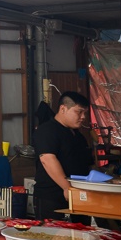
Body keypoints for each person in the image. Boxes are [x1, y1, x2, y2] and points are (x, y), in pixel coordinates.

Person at [33, 91, 94, 221]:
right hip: (52, 196)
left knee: (81, 236)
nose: (83, 117)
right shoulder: (47, 130)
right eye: (79, 112)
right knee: (55, 237)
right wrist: (67, 187)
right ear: (63, 109)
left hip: (79, 197)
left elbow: (87, 164)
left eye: (85, 113)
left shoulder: (79, 136)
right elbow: (47, 160)